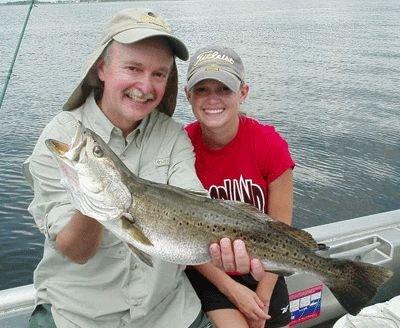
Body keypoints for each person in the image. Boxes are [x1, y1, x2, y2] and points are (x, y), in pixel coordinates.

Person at [22, 9, 250, 328]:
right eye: (133, 68)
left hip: (170, 315)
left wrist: (229, 251)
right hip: (78, 318)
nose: (145, 86)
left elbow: (198, 207)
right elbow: (75, 250)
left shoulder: (172, 136)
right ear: (102, 68)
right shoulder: (64, 137)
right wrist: (97, 197)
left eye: (159, 74)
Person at [184, 45, 295, 328]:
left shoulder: (270, 145)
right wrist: (233, 290)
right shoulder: (182, 147)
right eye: (202, 89)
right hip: (209, 268)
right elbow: (181, 235)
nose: (213, 99)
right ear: (188, 95)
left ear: (243, 93)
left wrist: (263, 296)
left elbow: (283, 230)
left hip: (266, 265)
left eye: (224, 89)